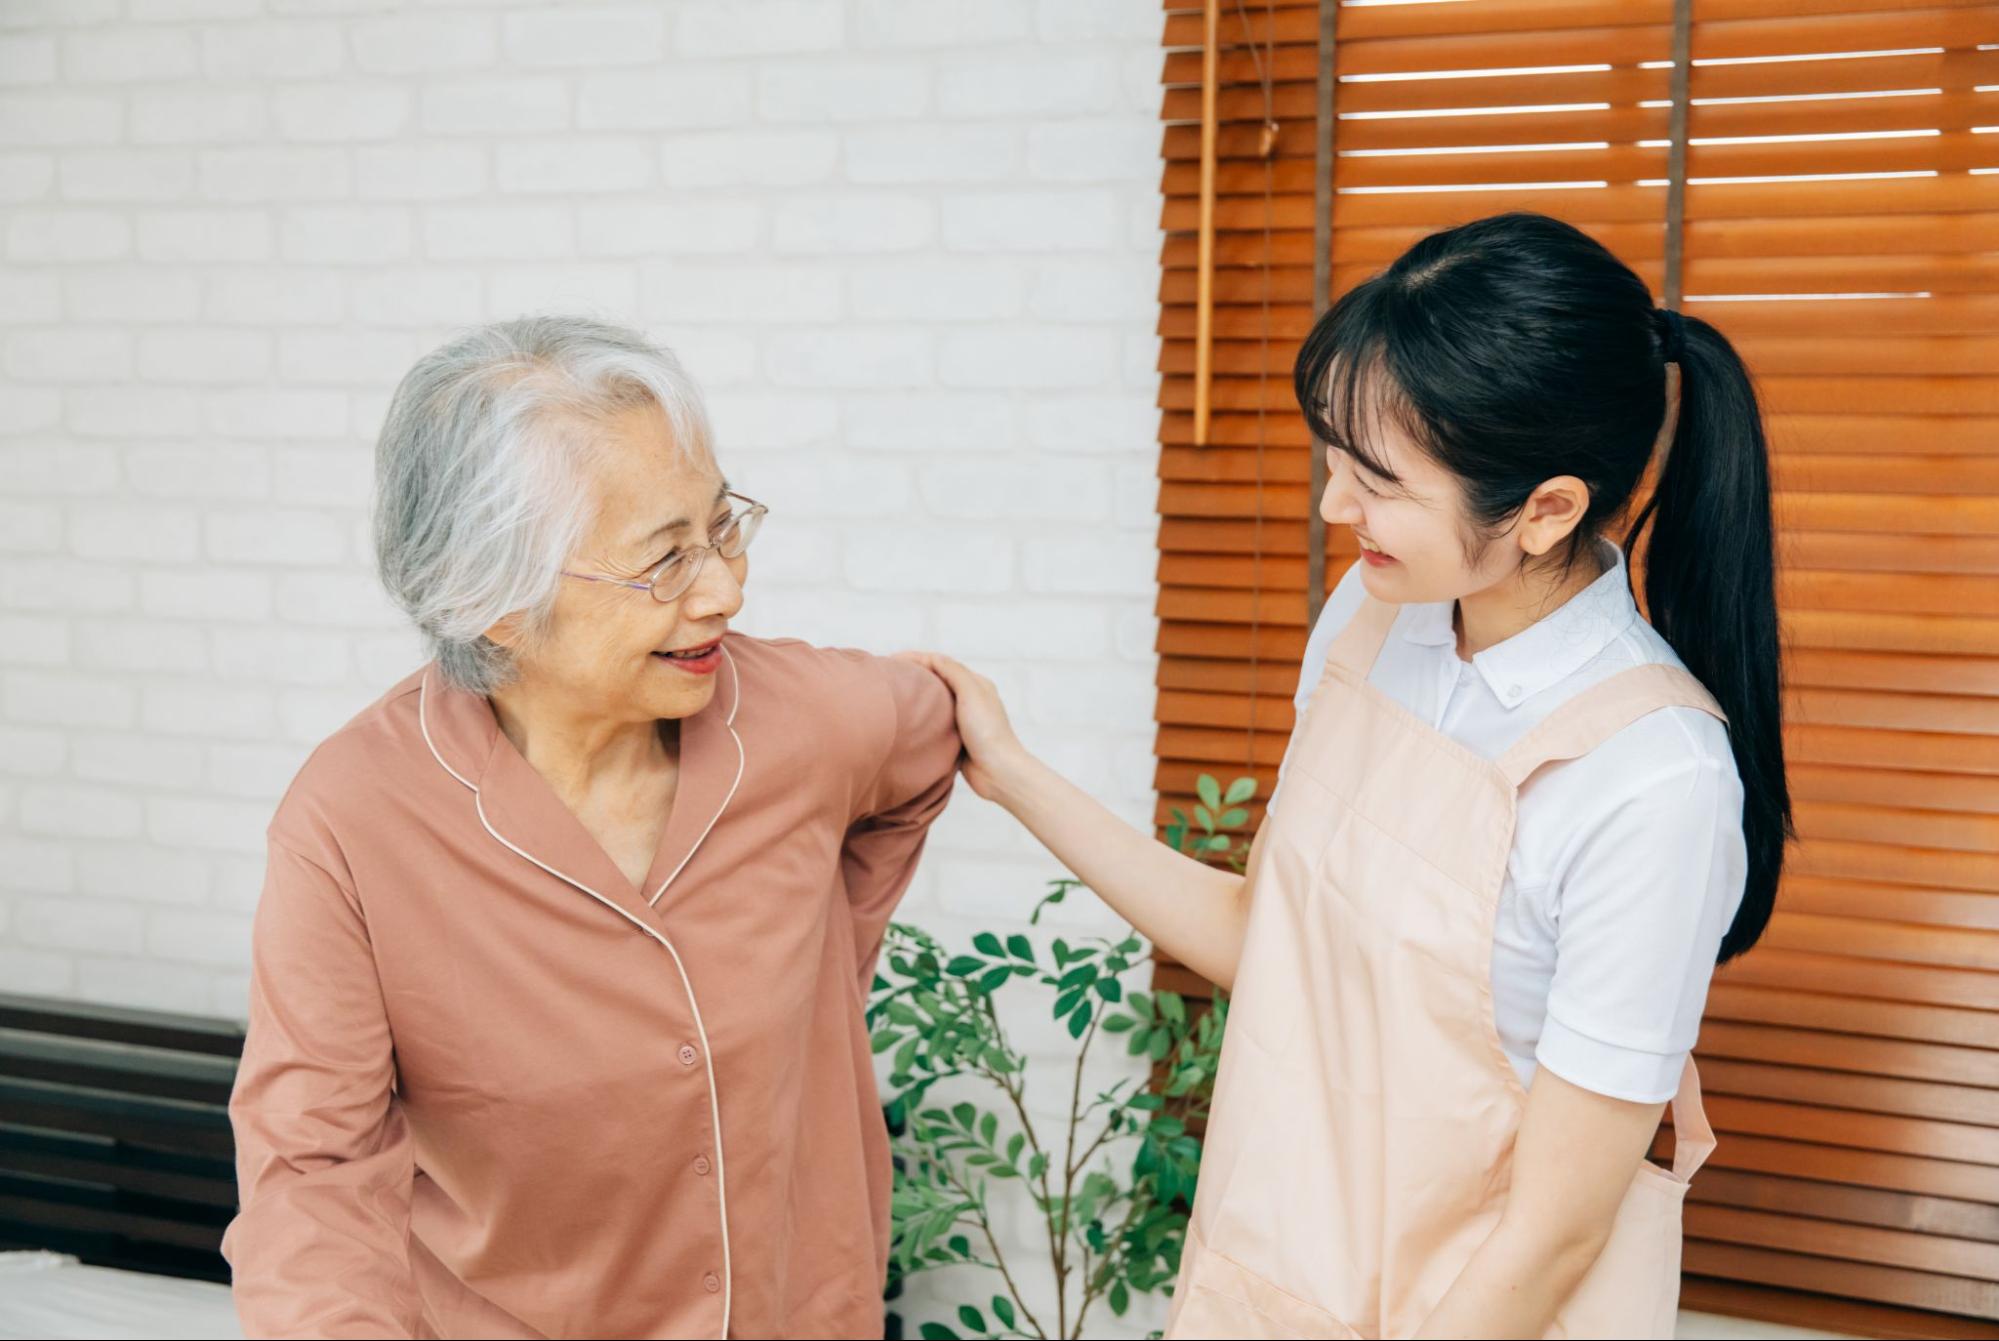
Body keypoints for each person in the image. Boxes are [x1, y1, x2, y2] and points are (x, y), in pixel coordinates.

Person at [908, 212, 1790, 1338]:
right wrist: (1013, 771)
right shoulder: (1379, 622)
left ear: (1545, 510)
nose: (1333, 509)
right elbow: (1258, 935)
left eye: (1376, 481)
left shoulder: (1652, 781)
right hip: (1274, 1271)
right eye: (1335, 462)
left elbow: (1551, 1234)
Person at [223, 316, 960, 1339]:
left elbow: (934, 738)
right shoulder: (353, 819)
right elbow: (315, 1172)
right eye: (663, 560)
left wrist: (819, 971)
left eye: (721, 527)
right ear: (494, 600)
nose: (724, 587)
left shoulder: (805, 720)